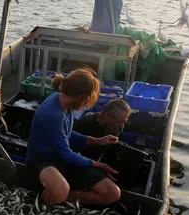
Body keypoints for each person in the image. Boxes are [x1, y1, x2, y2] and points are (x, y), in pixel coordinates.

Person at [25, 68, 121, 206]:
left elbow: (66, 134)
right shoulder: (52, 114)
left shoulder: (66, 103)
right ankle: (43, 203)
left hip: (64, 161)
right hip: (42, 162)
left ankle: (62, 198)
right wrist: (98, 164)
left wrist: (96, 141)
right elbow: (66, 154)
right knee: (60, 190)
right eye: (88, 99)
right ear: (82, 96)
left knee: (112, 193)